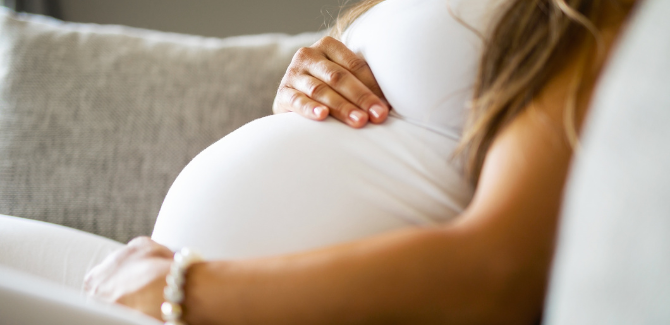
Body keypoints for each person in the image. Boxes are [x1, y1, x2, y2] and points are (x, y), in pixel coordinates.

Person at [84, 0, 639, 324]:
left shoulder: (596, 12)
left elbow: (504, 271)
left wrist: (183, 290)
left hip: (203, 302)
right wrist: (307, 96)